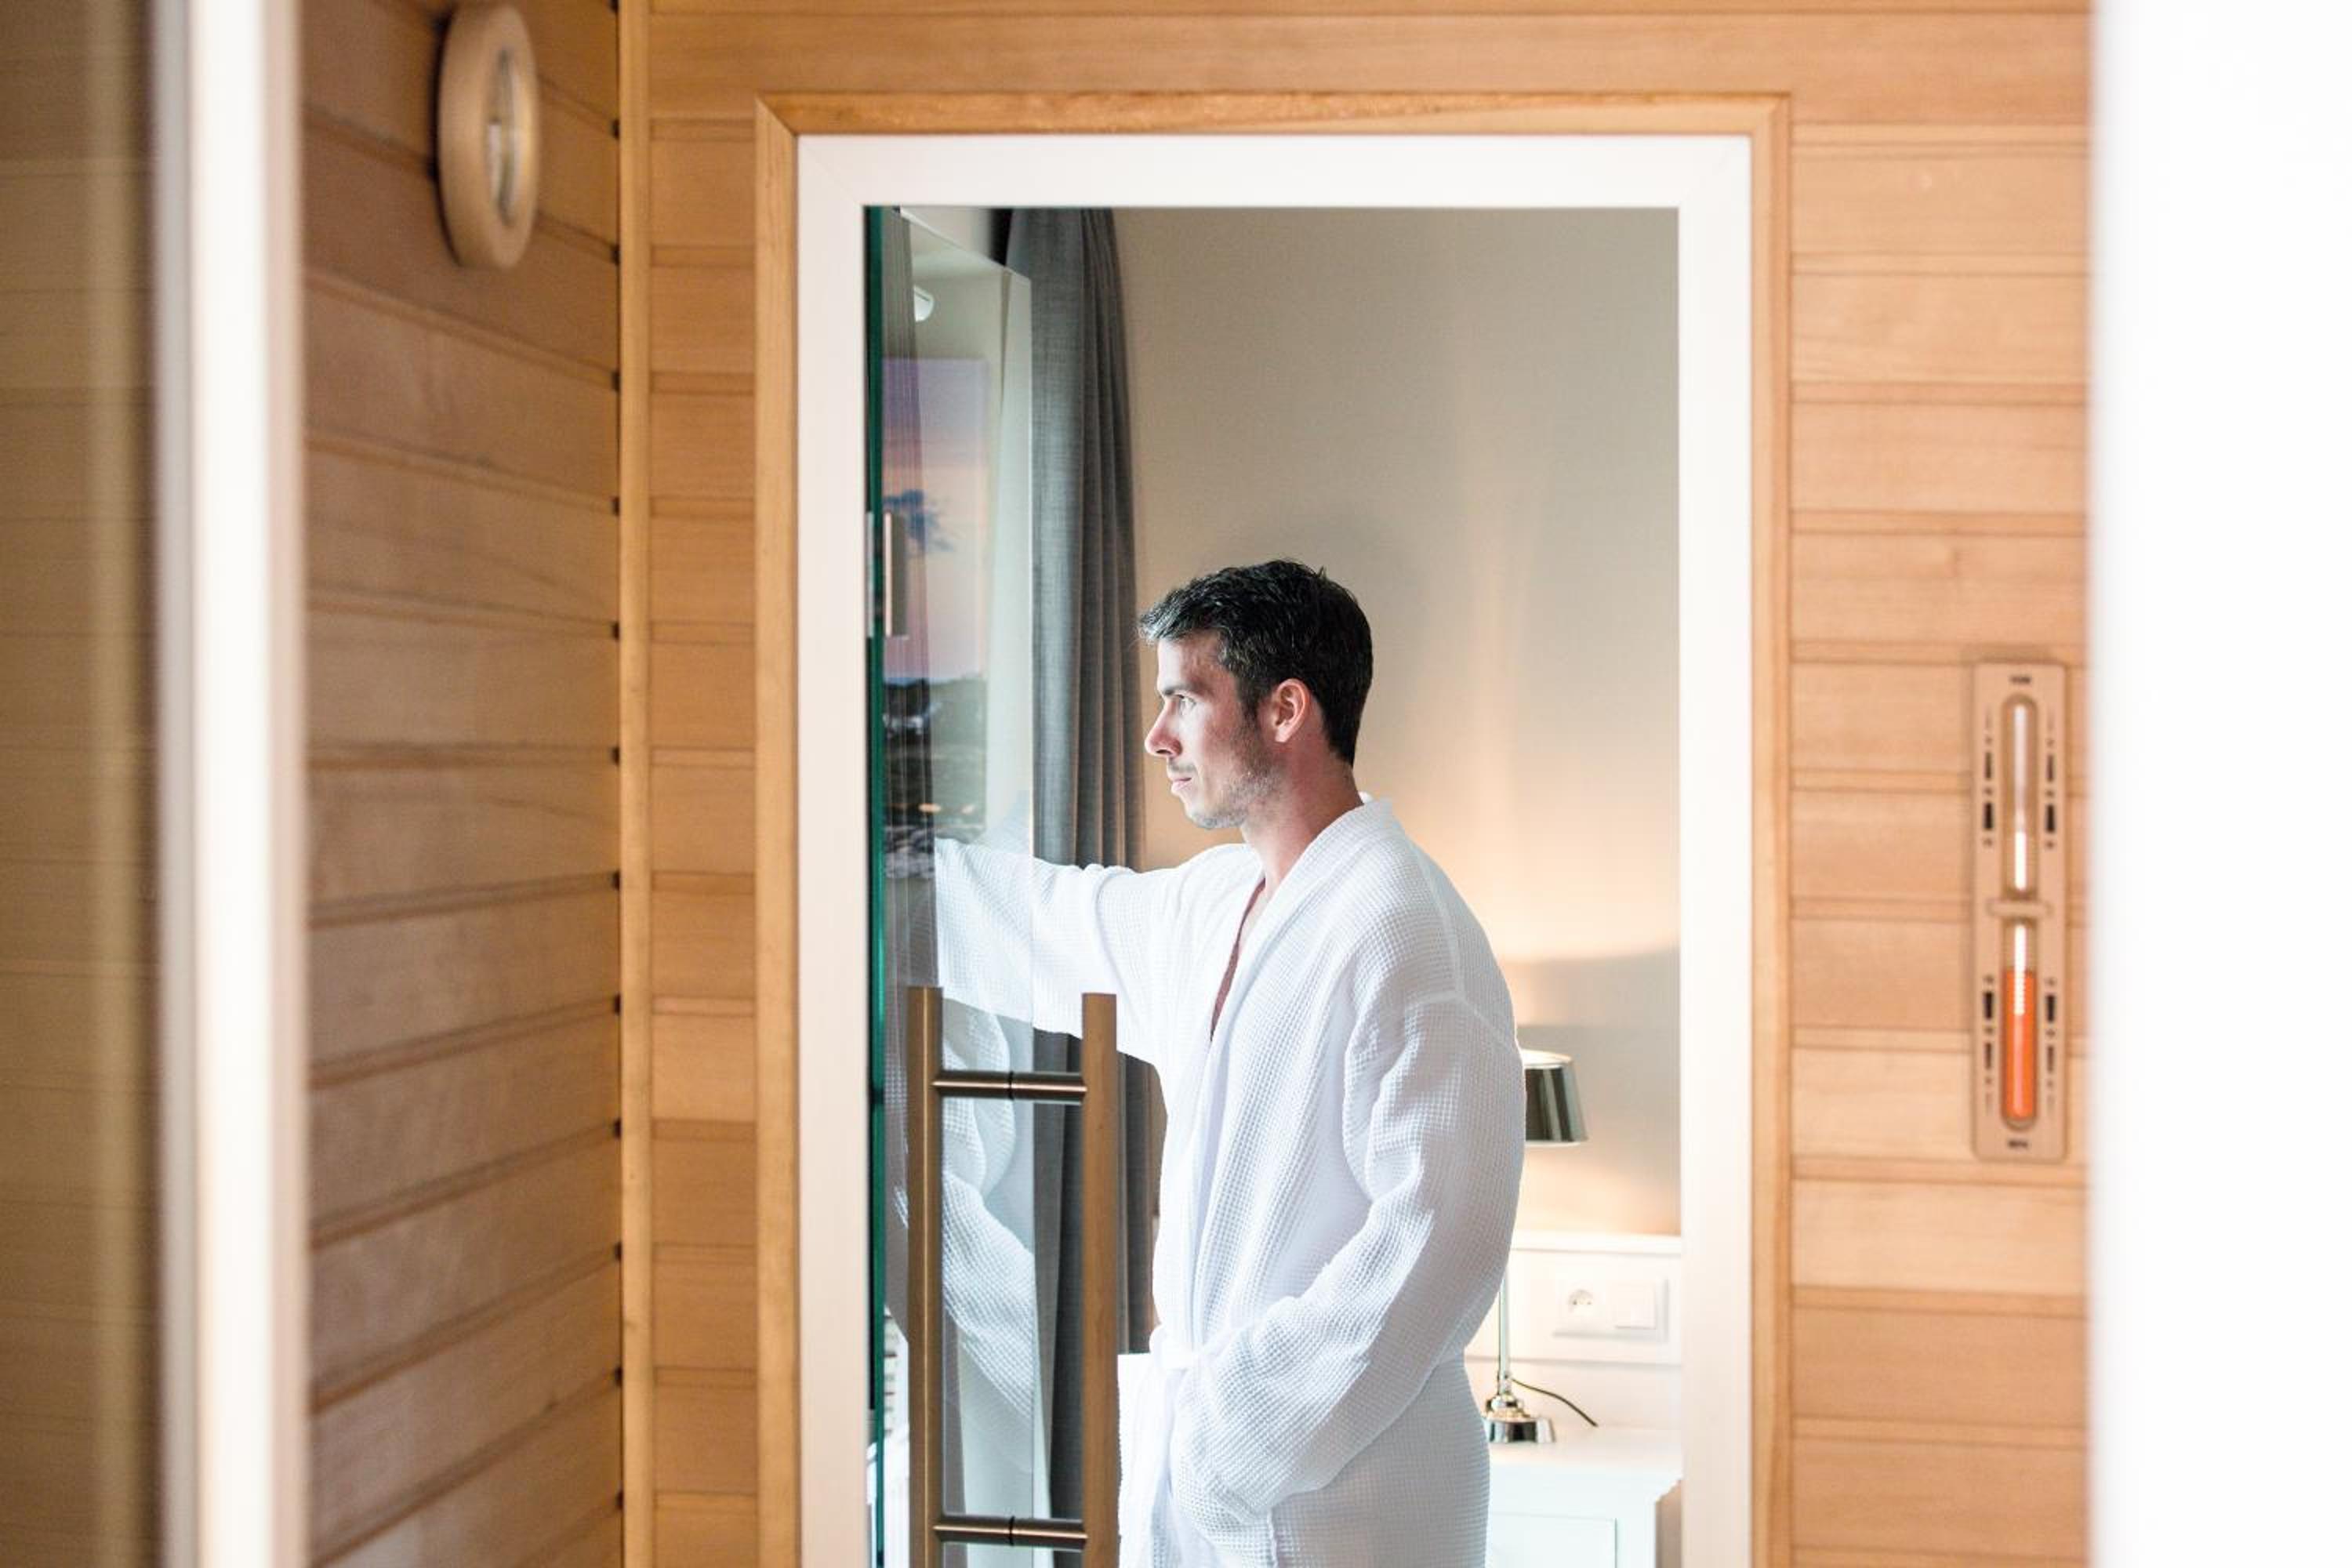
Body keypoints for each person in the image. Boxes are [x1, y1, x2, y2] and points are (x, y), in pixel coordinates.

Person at [932, 559, 1523, 1566]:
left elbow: (1440, 1239)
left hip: (1349, 1505)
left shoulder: (1406, 930)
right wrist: (862, 867)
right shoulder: (1218, 902)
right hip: (1216, 1490)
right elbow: (1046, 921)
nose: (1157, 735)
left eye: (1185, 698)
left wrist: (1238, 1434)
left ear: (1285, 710)